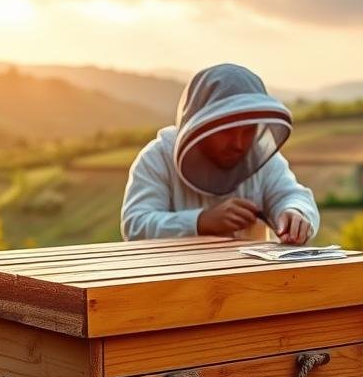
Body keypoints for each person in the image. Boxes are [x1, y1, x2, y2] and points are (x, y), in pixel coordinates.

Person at [120, 63, 319, 244]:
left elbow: (291, 194)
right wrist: (200, 221)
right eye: (227, 131)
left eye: (248, 130)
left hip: (250, 282)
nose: (239, 144)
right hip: (176, 282)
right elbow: (135, 226)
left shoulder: (261, 159)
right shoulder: (157, 158)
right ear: (198, 129)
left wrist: (295, 212)